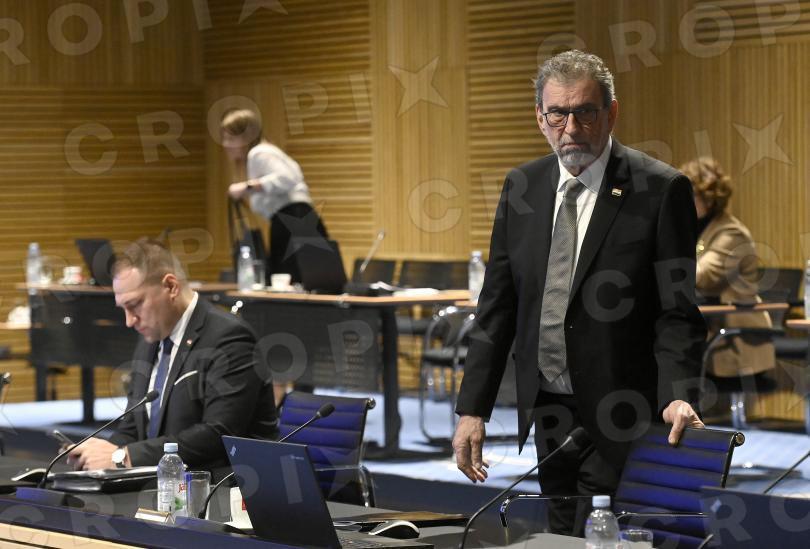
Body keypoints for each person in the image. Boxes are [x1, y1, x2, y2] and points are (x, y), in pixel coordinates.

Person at [452, 50, 707, 536]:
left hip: (624, 408)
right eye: (557, 114)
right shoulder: (522, 185)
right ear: (540, 118)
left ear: (611, 113)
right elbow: (497, 306)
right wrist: (472, 408)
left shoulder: (659, 189)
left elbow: (677, 311)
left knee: (603, 533)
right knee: (559, 532)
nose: (571, 128)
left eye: (585, 112)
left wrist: (677, 395)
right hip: (548, 407)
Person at [67, 239, 278, 470]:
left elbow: (219, 433)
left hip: (222, 482)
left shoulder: (229, 337)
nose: (129, 321)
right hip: (164, 481)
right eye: (123, 308)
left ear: (170, 287)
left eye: (135, 304)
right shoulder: (151, 336)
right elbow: (133, 426)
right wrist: (99, 453)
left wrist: (123, 457)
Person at [681, 157, 775, 378]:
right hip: (709, 330)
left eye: (691, 195)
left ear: (709, 197)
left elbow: (703, 276)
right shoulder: (698, 229)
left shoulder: (731, 233)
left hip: (736, 339)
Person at [221, 109, 329, 282]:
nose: (226, 144)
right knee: (306, 279)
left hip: (292, 221)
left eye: (231, 138)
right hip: (294, 220)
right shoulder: (264, 153)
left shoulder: (259, 153)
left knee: (292, 280)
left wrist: (247, 187)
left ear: (246, 137)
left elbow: (288, 177)